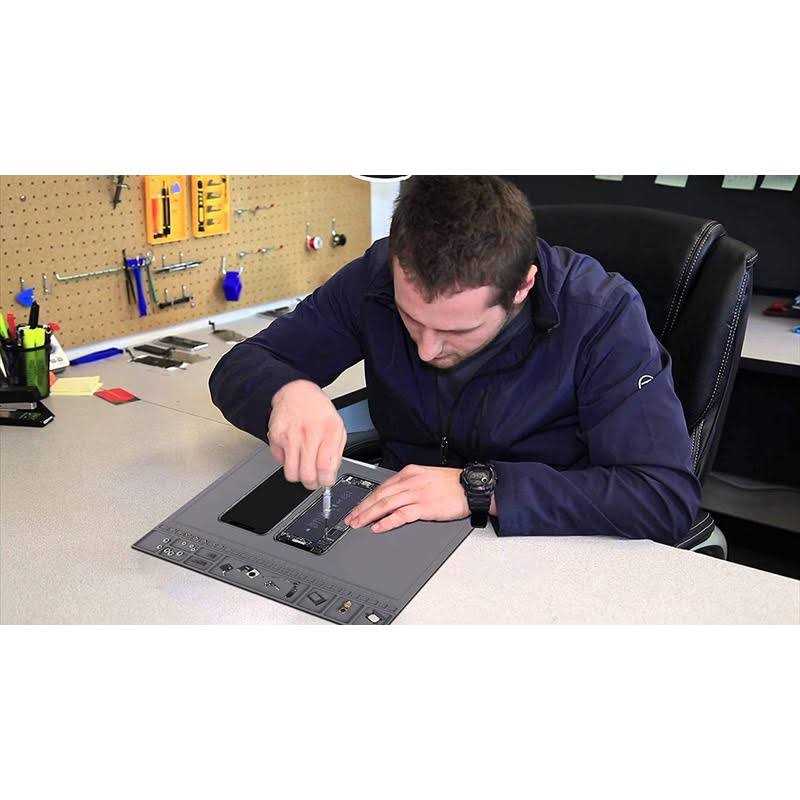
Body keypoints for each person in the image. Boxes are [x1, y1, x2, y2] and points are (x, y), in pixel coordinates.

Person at [209, 176, 701, 544]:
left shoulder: (602, 317)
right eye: (410, 318)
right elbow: (240, 366)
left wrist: (482, 490)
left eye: (456, 331)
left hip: (536, 541)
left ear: (523, 287)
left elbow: (662, 497)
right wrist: (287, 391)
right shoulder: (376, 277)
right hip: (399, 524)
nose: (426, 349)